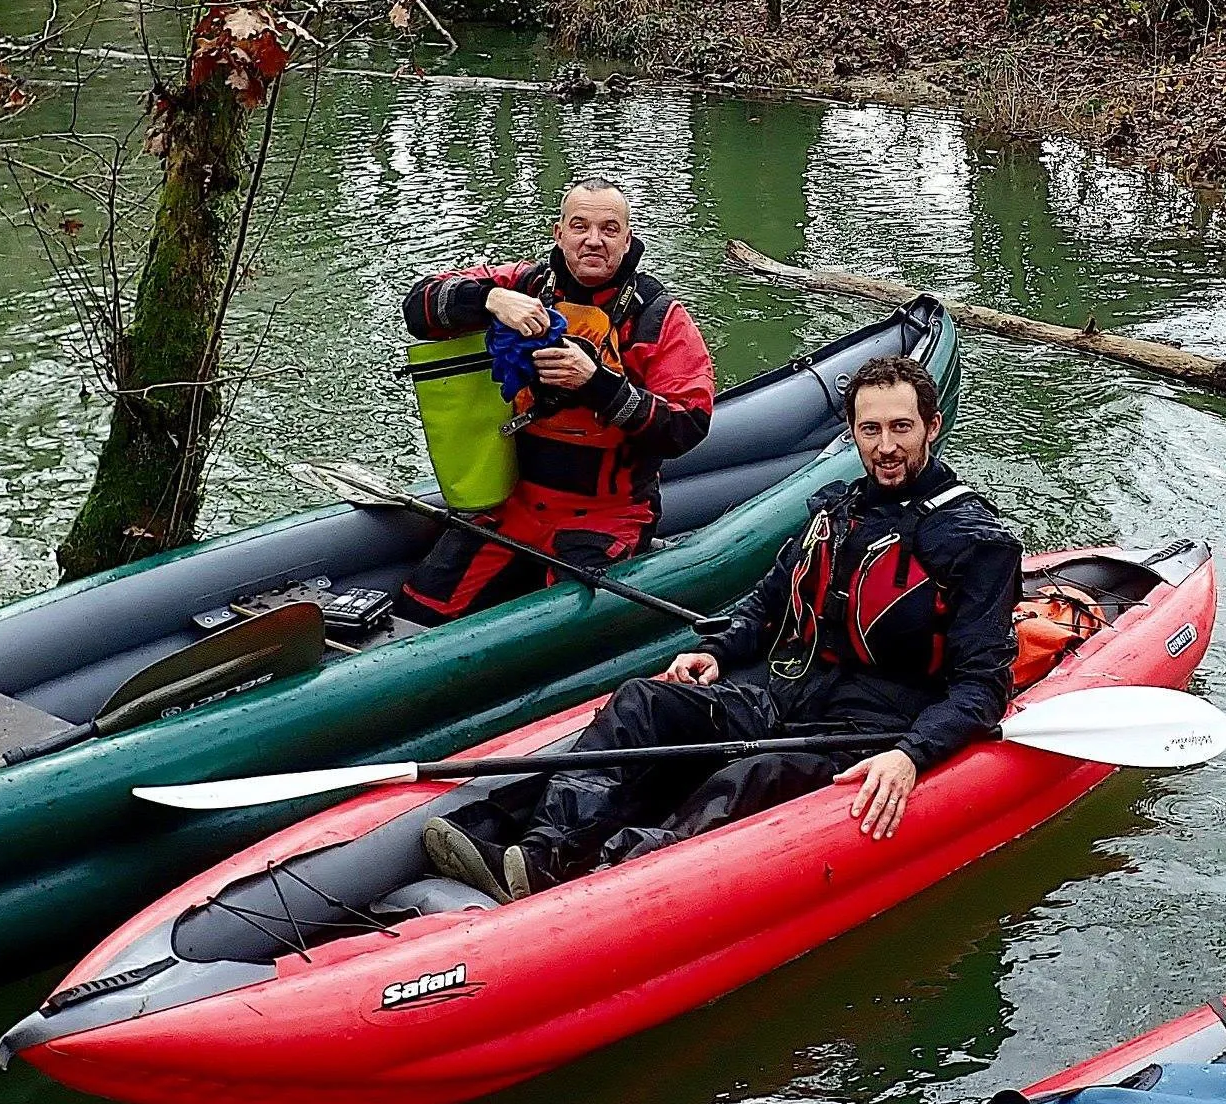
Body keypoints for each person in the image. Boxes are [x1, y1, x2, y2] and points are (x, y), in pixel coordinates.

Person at [424, 354, 1022, 902]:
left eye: (901, 427)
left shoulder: (973, 542)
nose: (886, 446)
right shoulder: (842, 508)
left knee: (746, 776)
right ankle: (541, 852)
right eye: (871, 430)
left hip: (871, 728)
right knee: (641, 703)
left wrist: (910, 756)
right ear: (854, 434)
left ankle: (607, 881)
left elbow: (981, 689)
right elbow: (768, 603)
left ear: (931, 426)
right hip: (786, 695)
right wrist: (717, 650)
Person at [394, 179, 715, 626]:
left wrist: (597, 383)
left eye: (609, 229)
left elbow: (688, 425)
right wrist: (489, 298)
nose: (593, 240)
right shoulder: (523, 285)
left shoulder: (657, 317)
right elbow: (418, 308)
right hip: (514, 503)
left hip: (610, 514)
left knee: (559, 626)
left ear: (627, 239)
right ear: (558, 232)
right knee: (417, 608)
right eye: (580, 226)